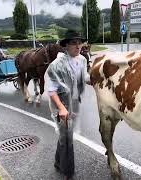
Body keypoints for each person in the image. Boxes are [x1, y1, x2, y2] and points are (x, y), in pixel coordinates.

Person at [45, 29, 90, 180]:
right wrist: (62, 108)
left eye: (80, 43)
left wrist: (97, 80)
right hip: (61, 104)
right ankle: (68, 172)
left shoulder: (82, 60)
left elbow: (84, 77)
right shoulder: (56, 65)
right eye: (73, 43)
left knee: (65, 136)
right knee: (68, 138)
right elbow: (51, 91)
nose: (78, 47)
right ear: (66, 46)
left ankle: (58, 162)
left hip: (75, 103)